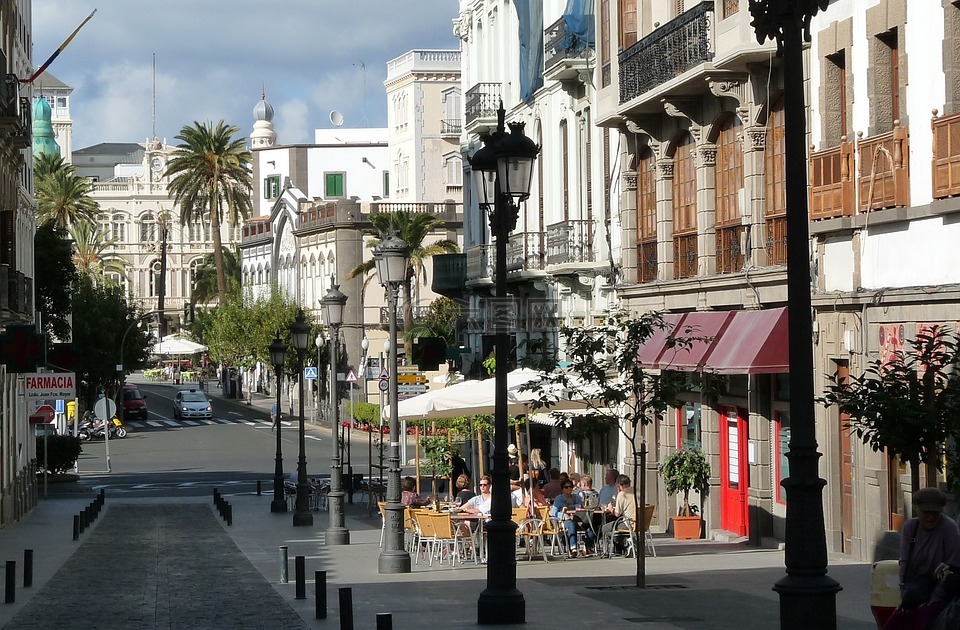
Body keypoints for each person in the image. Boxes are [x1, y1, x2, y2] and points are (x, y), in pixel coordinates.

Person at [884, 487, 960, 630]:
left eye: (935, 513)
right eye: (926, 512)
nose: (931, 517)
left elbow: (953, 566)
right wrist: (905, 594)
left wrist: (934, 599)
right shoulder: (910, 527)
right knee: (894, 623)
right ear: (916, 510)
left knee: (922, 621)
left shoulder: (949, 528)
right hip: (917, 589)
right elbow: (905, 562)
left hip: (939, 592)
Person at [551, 478, 595, 557]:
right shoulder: (559, 499)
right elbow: (553, 512)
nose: (569, 489)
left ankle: (587, 547)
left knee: (591, 527)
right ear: (562, 489)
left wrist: (570, 507)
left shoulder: (576, 497)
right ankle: (573, 548)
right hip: (564, 520)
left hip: (578, 518)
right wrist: (564, 516)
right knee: (571, 524)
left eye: (570, 487)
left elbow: (580, 507)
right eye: (566, 487)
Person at [601, 474, 638, 556]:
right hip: (642, 523)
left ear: (618, 485)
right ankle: (627, 543)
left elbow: (617, 514)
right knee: (617, 525)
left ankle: (626, 543)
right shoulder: (637, 491)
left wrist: (611, 509)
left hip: (629, 523)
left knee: (605, 528)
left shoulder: (622, 494)